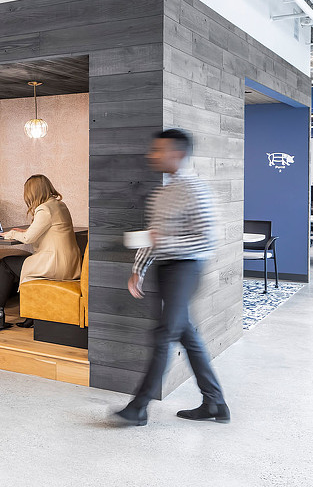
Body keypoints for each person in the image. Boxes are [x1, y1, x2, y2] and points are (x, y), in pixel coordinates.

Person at [114, 129, 228, 426]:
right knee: (186, 333)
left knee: (164, 333)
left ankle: (139, 406)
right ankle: (215, 402)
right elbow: (152, 237)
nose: (152, 154)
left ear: (177, 153)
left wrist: (165, 241)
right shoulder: (161, 193)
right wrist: (138, 269)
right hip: (165, 270)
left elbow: (206, 239)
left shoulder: (195, 189)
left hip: (186, 269)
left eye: (158, 150)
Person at [0, 175, 81, 329]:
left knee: (6, 264)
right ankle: (32, 315)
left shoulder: (44, 209)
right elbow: (45, 230)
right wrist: (22, 231)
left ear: (33, 192)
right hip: (71, 265)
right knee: (23, 263)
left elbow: (28, 238)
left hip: (54, 265)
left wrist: (10, 233)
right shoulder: (59, 205)